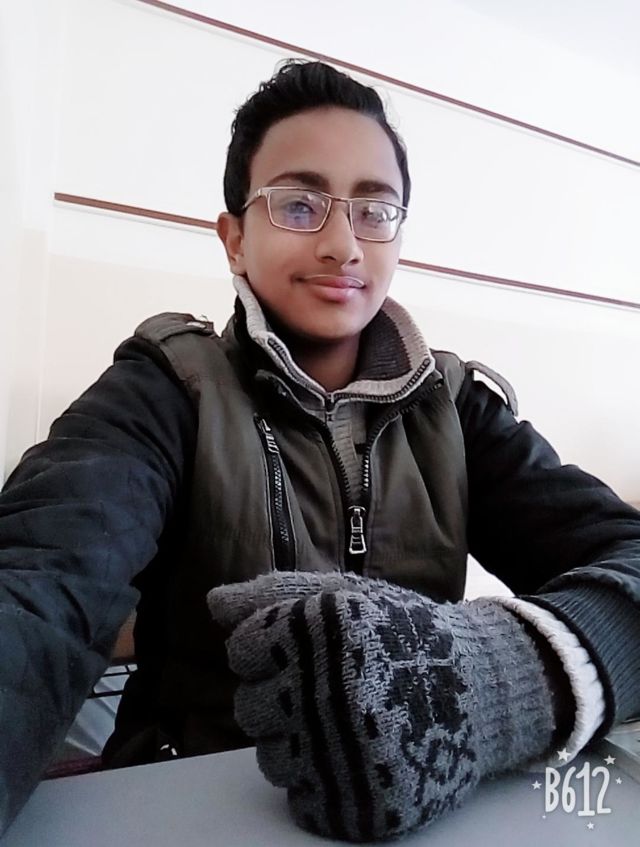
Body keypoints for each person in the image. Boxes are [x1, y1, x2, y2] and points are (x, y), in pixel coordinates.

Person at [0, 59, 639, 841]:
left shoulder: (455, 408)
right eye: (300, 205)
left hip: (424, 816)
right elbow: (36, 589)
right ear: (235, 238)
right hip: (195, 807)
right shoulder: (165, 390)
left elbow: (629, 557)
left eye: (375, 211)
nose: (343, 244)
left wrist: (498, 673)